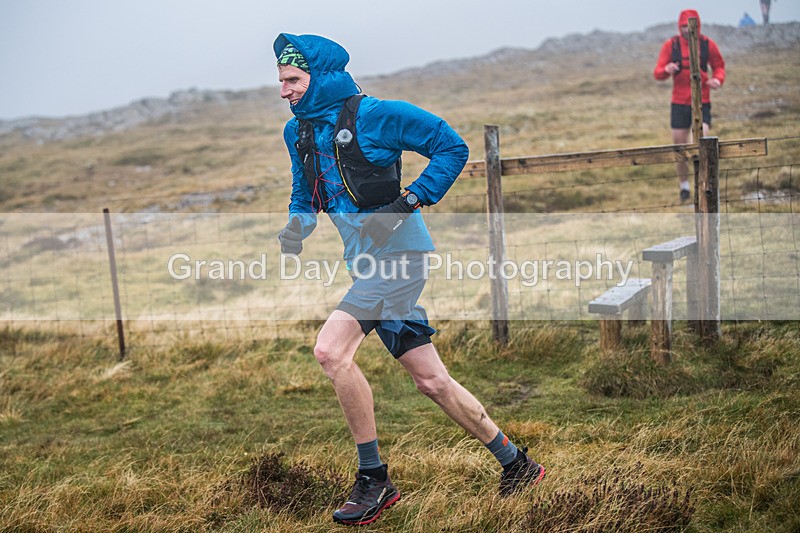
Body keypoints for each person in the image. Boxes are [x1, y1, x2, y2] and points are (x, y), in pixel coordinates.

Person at [274, 33, 545, 526]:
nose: (284, 90)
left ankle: (374, 480)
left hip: (400, 259)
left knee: (331, 351)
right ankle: (518, 464)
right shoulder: (299, 134)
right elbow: (303, 189)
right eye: (281, 81)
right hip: (365, 264)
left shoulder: (376, 115)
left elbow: (451, 147)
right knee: (432, 381)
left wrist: (406, 203)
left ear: (320, 76)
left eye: (292, 79)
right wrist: (299, 223)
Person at [653, 9, 726, 203]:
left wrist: (718, 80)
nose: (687, 29)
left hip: (702, 101)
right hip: (678, 102)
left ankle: (704, 184)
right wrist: (666, 69)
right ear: (679, 26)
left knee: (702, 141)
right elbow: (658, 72)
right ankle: (684, 186)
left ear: (697, 25)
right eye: (683, 26)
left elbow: (719, 66)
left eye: (689, 25)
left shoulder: (707, 44)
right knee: (679, 147)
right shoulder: (672, 45)